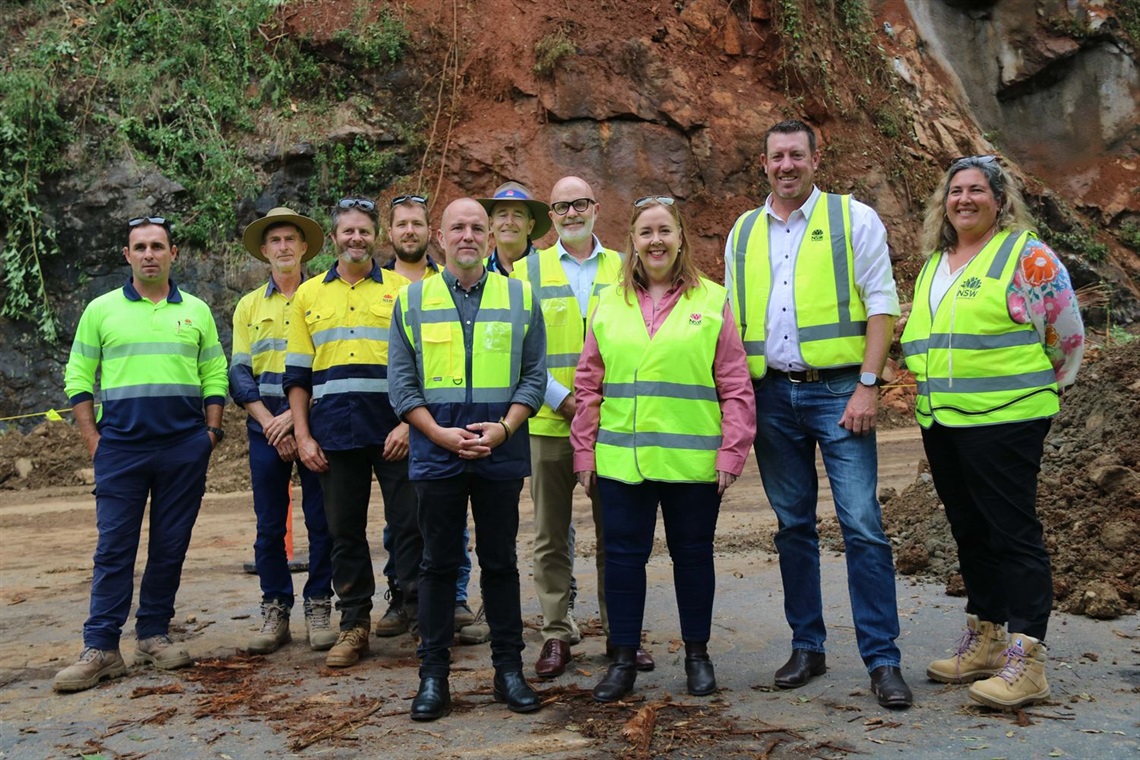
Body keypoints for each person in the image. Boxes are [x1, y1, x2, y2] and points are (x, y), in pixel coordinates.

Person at [724, 119, 913, 708]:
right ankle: (807, 645)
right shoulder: (743, 231)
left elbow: (882, 305)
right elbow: (731, 319)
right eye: (776, 156)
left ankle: (882, 659)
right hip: (771, 396)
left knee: (861, 525)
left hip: (839, 393)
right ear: (763, 164)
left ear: (815, 158)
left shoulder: (852, 218)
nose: (787, 165)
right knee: (793, 527)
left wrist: (867, 386)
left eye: (796, 155)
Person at [901, 155, 1085, 709]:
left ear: (999, 201)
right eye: (955, 191)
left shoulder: (1025, 255)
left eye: (977, 190)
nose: (964, 200)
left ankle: (1027, 661)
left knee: (1012, 533)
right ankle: (986, 639)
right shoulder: (937, 263)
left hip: (1007, 420)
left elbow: (1065, 334)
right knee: (971, 530)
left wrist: (1037, 391)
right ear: (944, 202)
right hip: (944, 421)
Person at [571, 197, 755, 701]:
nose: (655, 241)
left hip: (690, 462)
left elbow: (735, 386)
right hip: (621, 462)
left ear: (680, 238)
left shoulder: (713, 301)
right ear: (631, 241)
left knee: (693, 558)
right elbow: (588, 384)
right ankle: (623, 661)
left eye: (664, 231)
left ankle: (698, 656)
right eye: (646, 232)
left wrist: (731, 453)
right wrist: (584, 452)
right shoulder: (607, 302)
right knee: (624, 561)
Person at [388, 198, 546, 721]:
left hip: (500, 452)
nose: (469, 236)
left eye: (478, 227)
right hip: (438, 454)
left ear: (491, 236)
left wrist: (503, 429)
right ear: (440, 235)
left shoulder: (521, 297)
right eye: (458, 227)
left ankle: (509, 673)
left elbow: (534, 376)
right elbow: (403, 385)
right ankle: (433, 678)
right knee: (437, 565)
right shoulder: (411, 300)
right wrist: (438, 434)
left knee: (500, 563)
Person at [55, 216, 228, 692]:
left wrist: (209, 434)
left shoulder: (196, 310)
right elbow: (77, 377)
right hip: (121, 451)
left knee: (170, 546)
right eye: (140, 247)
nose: (150, 253)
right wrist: (94, 441)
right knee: (114, 548)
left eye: (158, 246)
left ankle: (152, 633)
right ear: (126, 256)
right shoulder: (101, 310)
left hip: (183, 450)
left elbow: (215, 373)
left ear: (174, 253)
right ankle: (101, 648)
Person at [512, 176, 653, 679]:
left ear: (596, 207)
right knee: (550, 535)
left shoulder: (623, 267)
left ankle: (622, 635)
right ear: (550, 217)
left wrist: (595, 407)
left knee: (617, 533)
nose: (571, 213)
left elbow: (640, 338)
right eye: (561, 207)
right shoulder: (526, 271)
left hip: (611, 427)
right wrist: (566, 400)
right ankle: (556, 632)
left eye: (580, 204)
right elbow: (521, 352)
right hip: (549, 425)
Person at [283, 197, 414, 669]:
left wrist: (407, 423)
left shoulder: (403, 290)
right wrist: (303, 436)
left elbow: (421, 368)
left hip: (397, 429)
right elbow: (296, 377)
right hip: (334, 432)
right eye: (347, 232)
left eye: (364, 231)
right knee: (344, 533)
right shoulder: (308, 296)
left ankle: (420, 618)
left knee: (410, 527)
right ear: (334, 237)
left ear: (376, 237)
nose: (355, 238)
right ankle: (354, 625)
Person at [230, 207, 336, 655]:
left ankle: (318, 605)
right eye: (275, 241)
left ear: (305, 246)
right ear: (265, 251)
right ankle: (275, 608)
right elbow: (238, 372)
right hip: (264, 426)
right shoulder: (249, 306)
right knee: (269, 525)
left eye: (292, 239)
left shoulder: (320, 297)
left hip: (315, 421)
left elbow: (329, 361)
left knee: (322, 521)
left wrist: (294, 419)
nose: (284, 247)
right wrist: (269, 421)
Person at [375, 193, 478, 638]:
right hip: (392, 419)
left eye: (417, 223)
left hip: (442, 421)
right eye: (402, 224)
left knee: (450, 522)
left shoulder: (450, 281)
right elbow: (397, 364)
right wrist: (402, 419)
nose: (410, 231)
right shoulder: (375, 286)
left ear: (430, 231)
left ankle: (453, 600)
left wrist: (414, 423)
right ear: (391, 232)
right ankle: (402, 598)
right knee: (399, 520)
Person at [480, 181, 551, 275]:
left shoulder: (550, 264)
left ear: (530, 226)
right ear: (491, 224)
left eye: (518, 215)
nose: (509, 222)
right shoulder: (478, 271)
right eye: (502, 215)